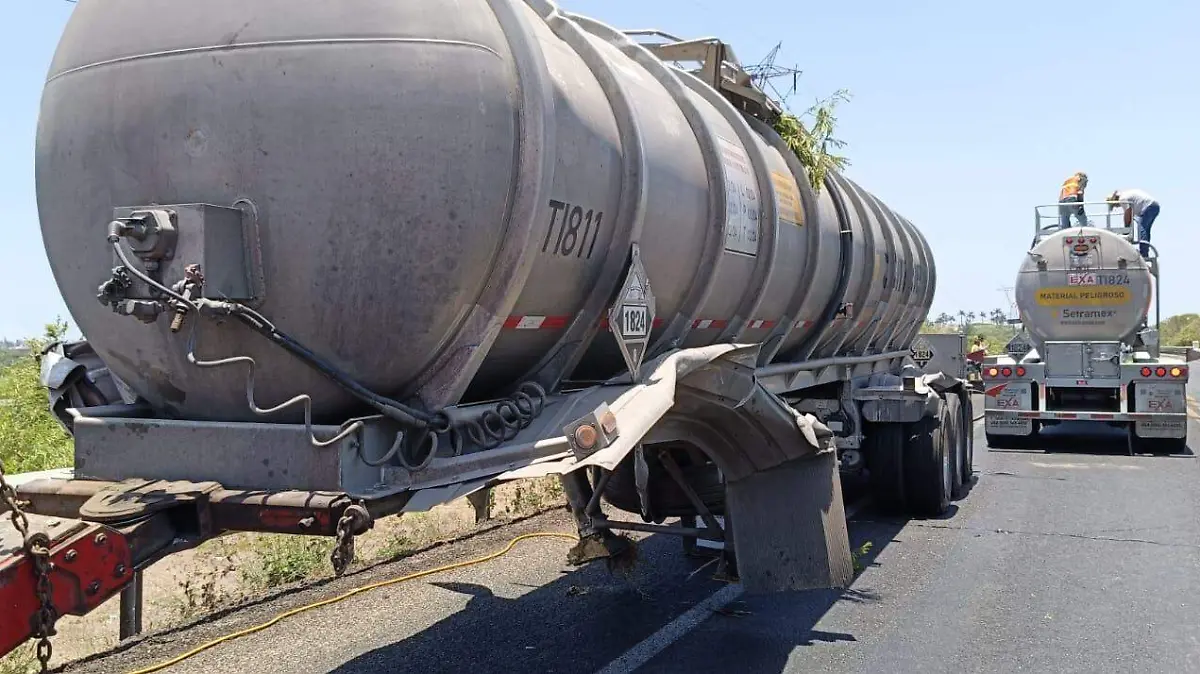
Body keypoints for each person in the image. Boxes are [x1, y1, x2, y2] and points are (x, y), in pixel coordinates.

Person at [1107, 189, 1160, 258]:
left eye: (1114, 205)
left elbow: (1128, 213)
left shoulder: (1122, 199)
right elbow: (1130, 215)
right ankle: (1145, 250)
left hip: (1148, 206)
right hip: (1154, 206)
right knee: (1146, 230)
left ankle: (1143, 253)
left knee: (1142, 229)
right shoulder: (1127, 195)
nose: (1117, 206)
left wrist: (1126, 230)